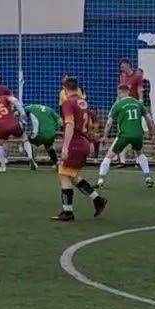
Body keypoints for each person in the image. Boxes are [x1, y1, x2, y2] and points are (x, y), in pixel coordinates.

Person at [53, 77, 107, 221]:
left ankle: (68, 212)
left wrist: (65, 147)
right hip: (83, 142)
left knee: (63, 174)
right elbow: (88, 125)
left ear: (65, 89)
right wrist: (90, 141)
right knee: (72, 176)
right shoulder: (83, 103)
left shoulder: (68, 103)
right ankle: (98, 200)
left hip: (75, 143)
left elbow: (70, 125)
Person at [98, 84, 155, 188]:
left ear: (119, 92)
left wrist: (105, 136)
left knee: (109, 155)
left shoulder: (118, 104)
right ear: (128, 92)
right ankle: (148, 177)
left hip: (124, 135)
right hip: (138, 134)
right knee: (140, 153)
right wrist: (153, 133)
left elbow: (109, 123)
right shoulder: (138, 103)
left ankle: (101, 179)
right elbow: (149, 119)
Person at [24, 101, 62, 165]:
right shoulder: (49, 109)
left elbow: (20, 112)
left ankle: (31, 159)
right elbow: (60, 121)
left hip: (39, 133)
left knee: (26, 141)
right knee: (49, 146)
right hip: (51, 133)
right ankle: (56, 162)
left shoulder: (30, 107)